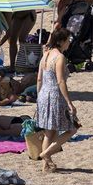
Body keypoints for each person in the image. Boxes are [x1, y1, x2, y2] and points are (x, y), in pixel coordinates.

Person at [36, 28, 79, 172]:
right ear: (61, 41)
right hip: (55, 96)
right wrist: (69, 102)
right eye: (68, 40)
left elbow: (39, 79)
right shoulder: (59, 57)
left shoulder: (45, 55)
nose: (69, 43)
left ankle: (46, 166)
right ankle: (46, 154)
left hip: (43, 95)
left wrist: (38, 97)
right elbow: (61, 81)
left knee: (50, 131)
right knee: (73, 128)